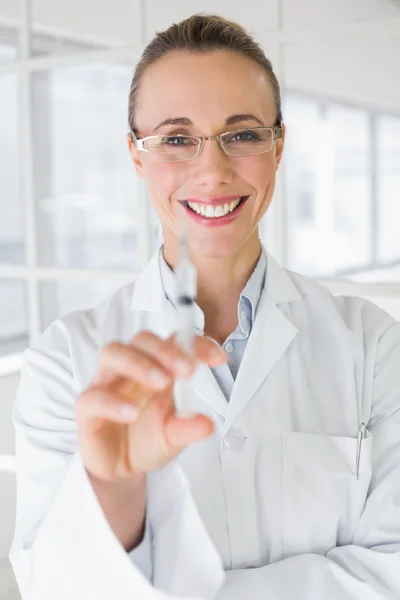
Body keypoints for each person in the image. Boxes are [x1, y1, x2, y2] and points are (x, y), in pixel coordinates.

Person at [9, 13, 400, 600]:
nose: (212, 171)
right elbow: (48, 587)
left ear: (279, 145)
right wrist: (113, 491)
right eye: (175, 138)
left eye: (242, 134)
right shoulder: (66, 361)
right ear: (137, 156)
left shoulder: (371, 346)